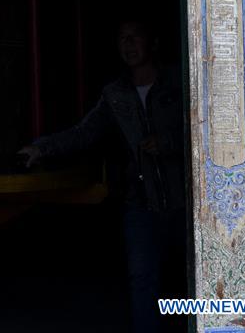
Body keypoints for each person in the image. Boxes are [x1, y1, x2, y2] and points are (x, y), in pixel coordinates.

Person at [18, 18, 186, 333]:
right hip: (141, 203)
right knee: (142, 279)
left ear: (153, 43)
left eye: (135, 37)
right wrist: (42, 148)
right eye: (123, 38)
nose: (129, 44)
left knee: (195, 276)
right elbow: (85, 132)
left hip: (187, 201)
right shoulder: (116, 94)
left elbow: (206, 126)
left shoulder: (180, 81)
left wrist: (169, 142)